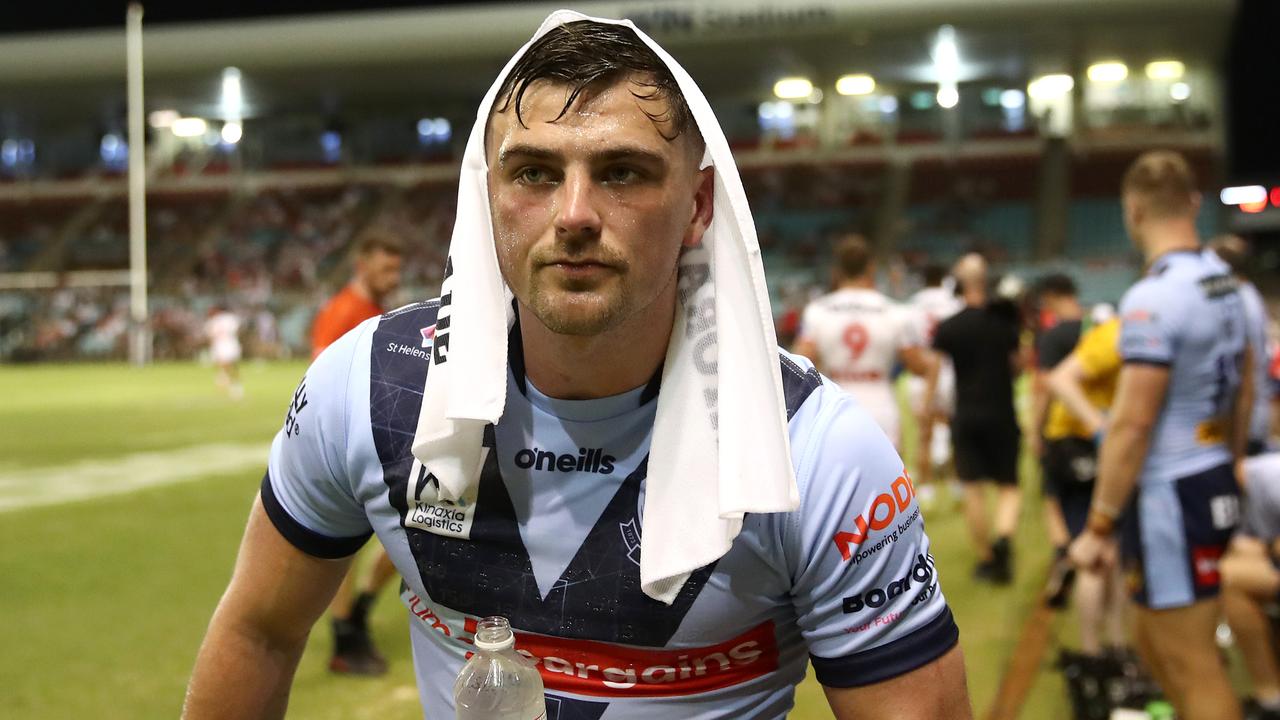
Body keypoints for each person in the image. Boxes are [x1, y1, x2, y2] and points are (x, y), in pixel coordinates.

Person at [184, 15, 969, 719]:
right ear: (486, 197)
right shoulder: (368, 390)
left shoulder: (812, 451)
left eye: (622, 172)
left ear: (698, 206)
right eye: (533, 173)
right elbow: (259, 631)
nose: (574, 216)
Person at [1069, 150, 1252, 720]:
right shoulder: (1232, 287)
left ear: (1133, 208)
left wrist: (1099, 523)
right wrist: (1234, 456)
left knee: (1191, 665)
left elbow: (1132, 422)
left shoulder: (1152, 299)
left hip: (1171, 493)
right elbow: (1247, 388)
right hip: (1212, 470)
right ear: (1194, 204)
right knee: (1157, 645)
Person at [310, 226, 405, 676]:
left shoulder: (374, 311)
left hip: (383, 442)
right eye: (386, 267)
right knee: (343, 545)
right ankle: (345, 637)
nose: (393, 275)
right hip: (348, 445)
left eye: (397, 268)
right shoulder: (342, 312)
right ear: (362, 265)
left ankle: (360, 611)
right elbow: (322, 383)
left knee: (423, 525)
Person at [792, 234, 939, 451]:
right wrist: (927, 400)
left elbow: (799, 363)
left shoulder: (817, 312)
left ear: (837, 270)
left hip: (835, 399)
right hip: (879, 400)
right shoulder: (894, 312)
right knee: (884, 480)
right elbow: (918, 365)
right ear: (871, 268)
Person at [932, 253, 1024, 584]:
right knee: (1009, 486)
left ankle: (986, 559)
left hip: (966, 413)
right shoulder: (1004, 322)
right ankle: (1004, 539)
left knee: (972, 489)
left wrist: (932, 407)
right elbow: (1018, 366)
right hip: (1002, 411)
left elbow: (935, 371)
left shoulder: (949, 326)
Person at [1221, 452, 1280, 720]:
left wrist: (1264, 547)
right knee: (1224, 573)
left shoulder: (1271, 476)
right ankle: (1270, 698)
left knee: (1230, 578)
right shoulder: (1226, 496)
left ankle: (1270, 697)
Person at [1208, 234, 1274, 456]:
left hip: (1244, 423)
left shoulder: (1237, 301)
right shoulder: (1247, 295)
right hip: (1250, 417)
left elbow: (1244, 371)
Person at [907, 263, 963, 494]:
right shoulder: (954, 303)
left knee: (924, 430)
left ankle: (927, 484)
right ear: (943, 278)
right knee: (953, 426)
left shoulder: (912, 304)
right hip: (949, 368)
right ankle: (955, 480)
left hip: (921, 370)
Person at [203, 304, 243, 400]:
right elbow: (238, 330)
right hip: (226, 344)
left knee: (228, 365)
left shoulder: (215, 321)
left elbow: (210, 336)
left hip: (225, 344)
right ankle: (228, 380)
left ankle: (226, 380)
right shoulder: (228, 318)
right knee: (227, 365)